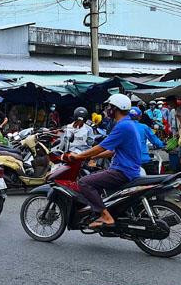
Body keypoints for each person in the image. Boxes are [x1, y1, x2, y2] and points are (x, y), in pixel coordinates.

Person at [70, 94, 142, 229]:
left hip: (122, 171)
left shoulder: (123, 126)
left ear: (116, 108)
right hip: (127, 169)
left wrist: (79, 157)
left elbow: (101, 146)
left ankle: (105, 216)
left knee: (84, 182)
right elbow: (113, 150)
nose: (107, 109)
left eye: (109, 106)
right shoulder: (128, 124)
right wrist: (93, 157)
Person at [129, 107, 165, 175]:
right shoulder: (144, 127)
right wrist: (162, 145)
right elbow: (155, 141)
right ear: (140, 117)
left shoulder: (122, 127)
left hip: (129, 162)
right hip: (144, 160)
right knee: (155, 180)